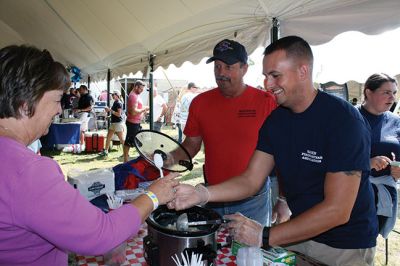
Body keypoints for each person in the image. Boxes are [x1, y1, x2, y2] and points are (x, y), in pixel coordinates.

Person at [170, 36, 378, 265]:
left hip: (343, 245)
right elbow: (251, 180)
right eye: (266, 76)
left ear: (303, 71)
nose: (268, 85)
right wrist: (202, 193)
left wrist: (265, 235)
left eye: (276, 75)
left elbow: (337, 210)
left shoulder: (343, 120)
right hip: (298, 231)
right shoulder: (277, 120)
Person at [0, 45, 179, 265]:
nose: (59, 109)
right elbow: (102, 234)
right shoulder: (27, 172)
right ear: (24, 104)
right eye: (57, 99)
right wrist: (152, 196)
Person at [169, 39, 277, 225]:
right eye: (217, 67)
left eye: (228, 67)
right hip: (212, 197)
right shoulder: (200, 103)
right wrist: (168, 158)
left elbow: (281, 153)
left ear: (244, 68)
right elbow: (191, 145)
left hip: (253, 200)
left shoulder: (266, 102)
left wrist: (282, 199)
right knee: (215, 252)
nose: (221, 73)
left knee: (252, 253)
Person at [358, 73, 400, 238]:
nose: (392, 97)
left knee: (370, 244)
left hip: (382, 196)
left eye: (394, 92)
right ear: (368, 92)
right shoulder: (349, 117)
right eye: (386, 92)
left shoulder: (396, 121)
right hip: (352, 193)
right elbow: (332, 155)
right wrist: (366, 163)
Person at [123, 80, 148, 162]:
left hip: (136, 122)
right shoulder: (133, 96)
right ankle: (126, 160)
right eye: (140, 89)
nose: (141, 91)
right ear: (136, 86)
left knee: (138, 141)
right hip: (132, 123)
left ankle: (140, 158)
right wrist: (143, 109)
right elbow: (133, 112)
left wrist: (144, 108)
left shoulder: (136, 95)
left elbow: (137, 108)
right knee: (129, 142)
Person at [100, 91, 125, 157]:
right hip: (113, 123)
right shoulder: (115, 102)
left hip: (118, 123)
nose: (112, 95)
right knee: (108, 137)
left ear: (117, 95)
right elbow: (115, 113)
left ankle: (126, 153)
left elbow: (119, 114)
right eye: (112, 94)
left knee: (122, 139)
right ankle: (106, 151)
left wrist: (110, 110)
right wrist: (109, 116)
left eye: (113, 94)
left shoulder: (119, 103)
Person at [73, 84, 94, 151]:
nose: (80, 90)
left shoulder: (89, 97)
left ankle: (82, 145)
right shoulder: (82, 96)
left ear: (85, 89)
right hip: (81, 114)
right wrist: (76, 109)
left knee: (81, 129)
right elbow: (81, 106)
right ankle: (81, 144)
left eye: (81, 89)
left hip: (85, 114)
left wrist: (81, 110)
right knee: (80, 129)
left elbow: (90, 107)